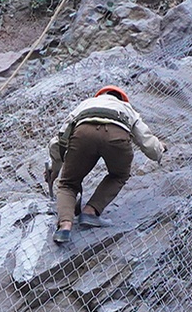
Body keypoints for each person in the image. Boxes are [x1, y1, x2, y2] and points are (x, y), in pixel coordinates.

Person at [45, 85, 167, 245]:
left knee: (68, 183)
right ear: (122, 98)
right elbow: (146, 141)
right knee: (119, 175)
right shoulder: (127, 108)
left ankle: (65, 226)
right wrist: (160, 149)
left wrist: (55, 168)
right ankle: (90, 212)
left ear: (99, 96)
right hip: (117, 136)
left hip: (83, 134)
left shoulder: (86, 104)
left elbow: (61, 138)